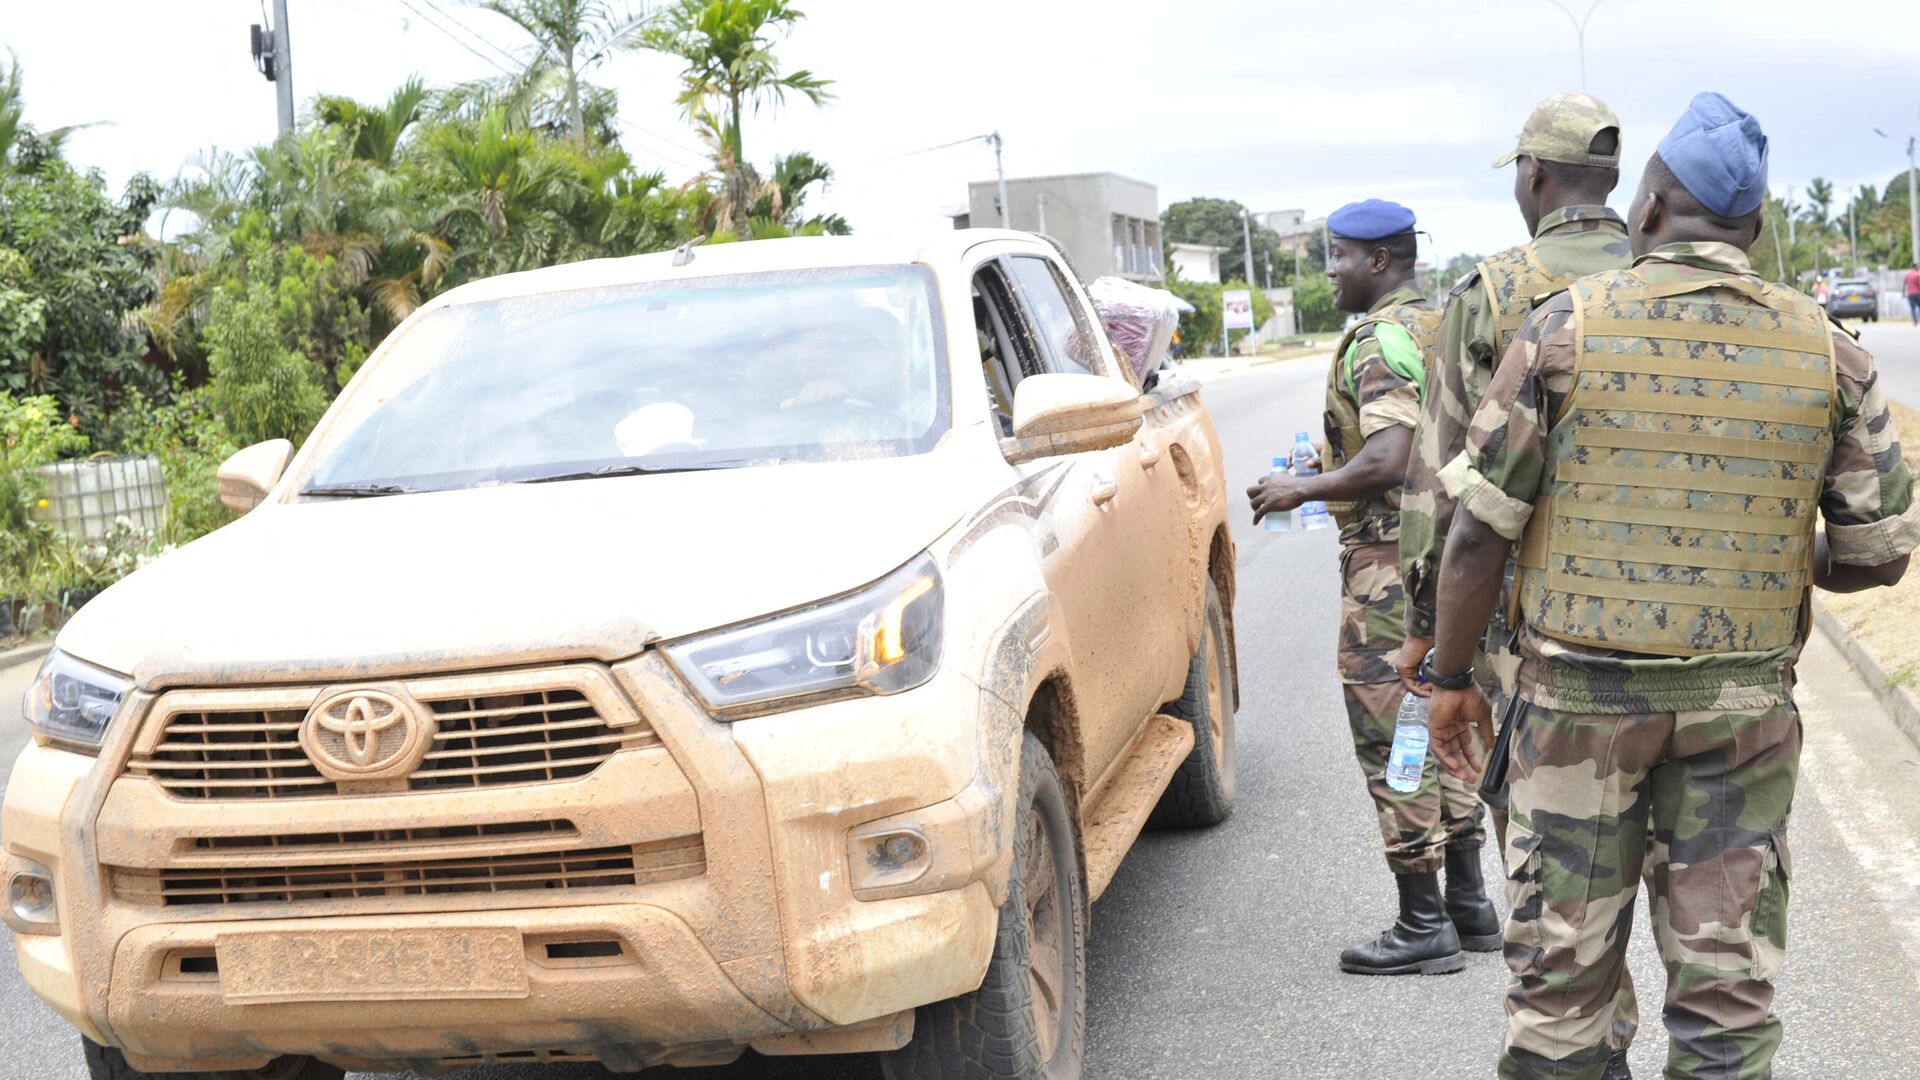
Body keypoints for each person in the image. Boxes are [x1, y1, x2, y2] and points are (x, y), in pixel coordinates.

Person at [1423, 92, 1919, 1079]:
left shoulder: (1562, 331)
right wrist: (1776, 561)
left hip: (1575, 714)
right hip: (1743, 715)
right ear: (1761, 225)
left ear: (1647, 210)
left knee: (1562, 1003)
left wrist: (1446, 681)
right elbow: (1879, 555)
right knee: (1727, 1013)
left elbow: (1477, 539)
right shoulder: (1830, 349)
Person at [1393, 93, 1639, 1078]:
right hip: (1674, 630)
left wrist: (1426, 637)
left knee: (1559, 872)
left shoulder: (1490, 293)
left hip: (1528, 644)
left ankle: (1599, 1044)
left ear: (1535, 177)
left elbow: (1441, 482)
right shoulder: (1663, 274)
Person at [1246, 198, 1494, 976]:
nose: (1331, 271)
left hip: (1390, 568)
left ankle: (1422, 924)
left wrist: (1302, 488)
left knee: (1399, 735)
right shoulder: (1438, 323)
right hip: (1449, 558)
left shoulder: (1378, 341)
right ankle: (1470, 905)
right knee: (1439, 719)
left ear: (1380, 261)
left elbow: (1388, 459)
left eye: (1341, 257)